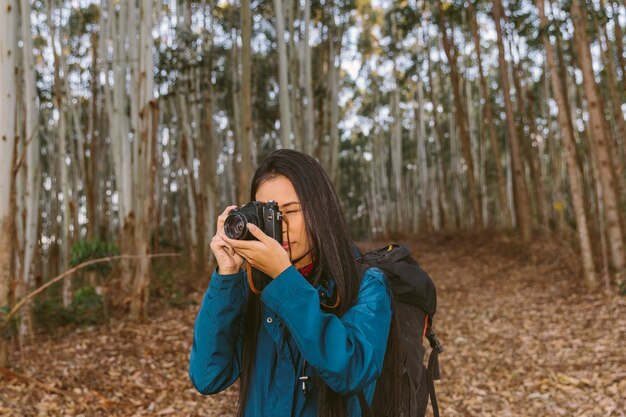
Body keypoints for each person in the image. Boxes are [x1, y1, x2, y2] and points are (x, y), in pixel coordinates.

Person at [189, 149, 393, 417]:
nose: (279, 225)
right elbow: (207, 377)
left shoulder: (366, 285)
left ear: (320, 210)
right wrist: (226, 276)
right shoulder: (257, 288)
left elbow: (351, 371)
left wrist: (285, 279)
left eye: (291, 210)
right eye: (268, 212)